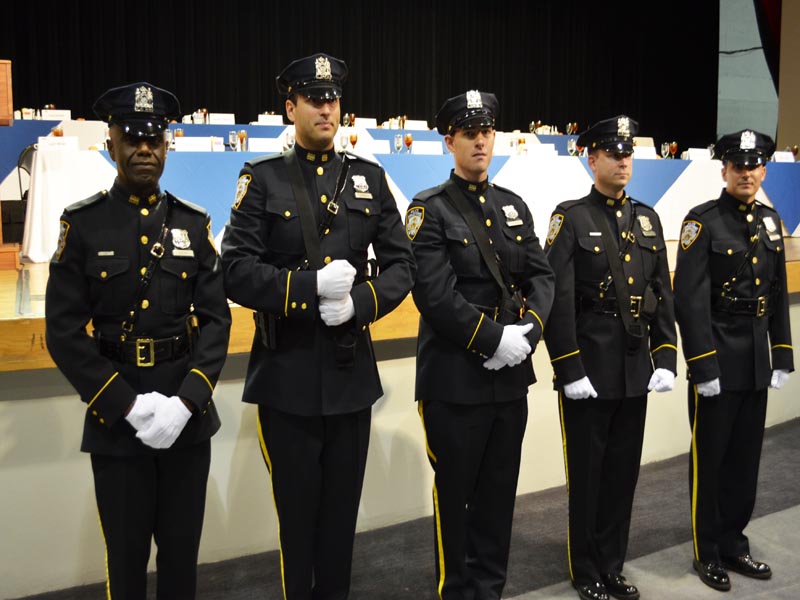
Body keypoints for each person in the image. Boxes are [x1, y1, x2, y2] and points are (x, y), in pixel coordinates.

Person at [220, 53, 415, 599]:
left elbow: (404, 265)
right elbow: (233, 270)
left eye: (332, 99)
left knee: (339, 524)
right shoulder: (261, 180)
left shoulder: (369, 180)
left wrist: (360, 303)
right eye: (313, 98)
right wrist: (307, 291)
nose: (326, 108)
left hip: (350, 378)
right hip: (287, 378)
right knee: (297, 524)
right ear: (291, 107)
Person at [45, 82, 232, 599]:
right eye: (132, 138)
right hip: (116, 422)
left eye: (154, 139)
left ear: (167, 146)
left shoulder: (193, 226)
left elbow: (217, 322)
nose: (144, 149)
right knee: (125, 562)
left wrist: (187, 402)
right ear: (112, 144)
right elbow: (62, 331)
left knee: (180, 560)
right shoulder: (83, 226)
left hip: (185, 422)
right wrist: (124, 405)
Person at [405, 90, 555, 599]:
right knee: (455, 497)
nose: (480, 142)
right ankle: (456, 591)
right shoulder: (428, 209)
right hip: (455, 379)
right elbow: (434, 294)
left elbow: (543, 277)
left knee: (497, 498)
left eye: (487, 132)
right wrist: (492, 340)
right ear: (450, 141)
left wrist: (527, 335)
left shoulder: (512, 207)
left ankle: (489, 590)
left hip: (511, 378)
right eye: (469, 133)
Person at [543, 116, 677, 600]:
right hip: (590, 369)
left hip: (634, 367)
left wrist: (666, 356)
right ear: (590, 159)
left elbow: (661, 291)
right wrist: (569, 368)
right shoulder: (571, 217)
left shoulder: (648, 218)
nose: (623, 161)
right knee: (588, 473)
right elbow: (556, 299)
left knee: (623, 474)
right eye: (612, 153)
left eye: (628, 153)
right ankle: (585, 568)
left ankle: (613, 564)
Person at [673, 129, 793, 592]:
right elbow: (689, 299)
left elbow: (777, 292)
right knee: (712, 458)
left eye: (754, 165)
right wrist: (702, 364)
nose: (746, 173)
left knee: (746, 458)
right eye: (738, 165)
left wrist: (781, 351)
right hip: (718, 360)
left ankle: (734, 542)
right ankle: (707, 551)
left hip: (755, 362)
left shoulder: (768, 219)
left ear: (764, 169)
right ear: (723, 169)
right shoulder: (702, 222)